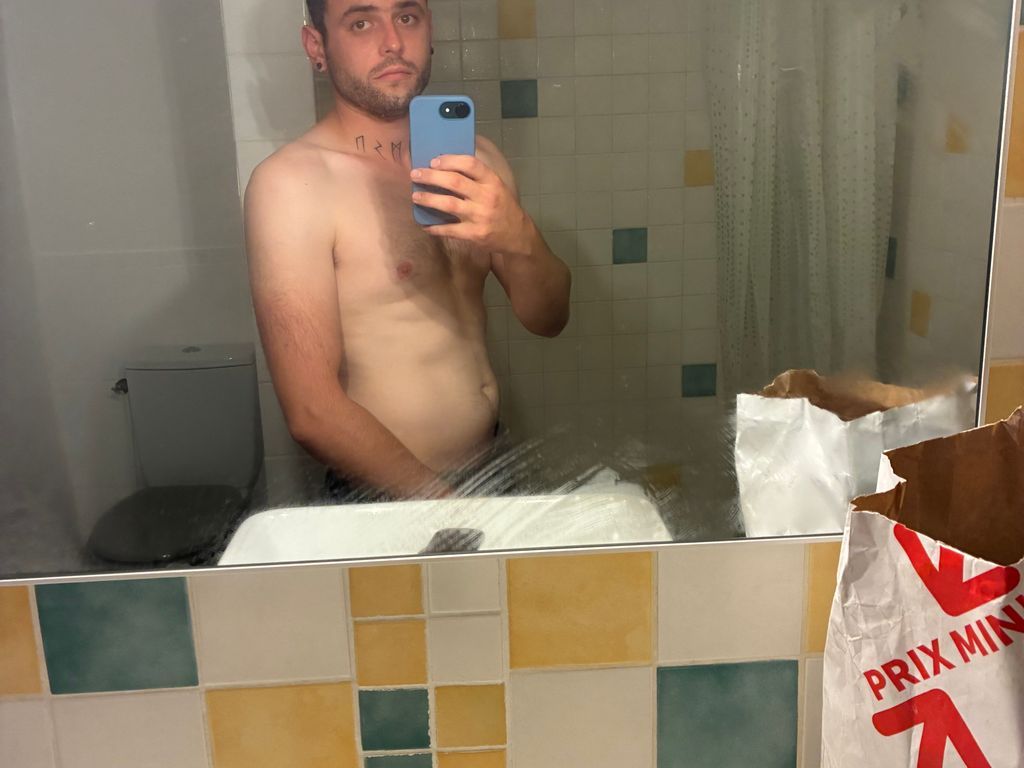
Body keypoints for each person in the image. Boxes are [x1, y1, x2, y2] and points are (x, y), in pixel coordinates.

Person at [244, 0, 571, 501]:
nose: (393, 42)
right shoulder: (292, 185)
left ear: (429, 27)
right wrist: (448, 510)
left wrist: (520, 236)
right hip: (391, 494)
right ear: (317, 46)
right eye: (361, 22)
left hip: (494, 465)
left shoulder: (477, 161)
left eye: (407, 17)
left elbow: (548, 319)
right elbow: (311, 411)